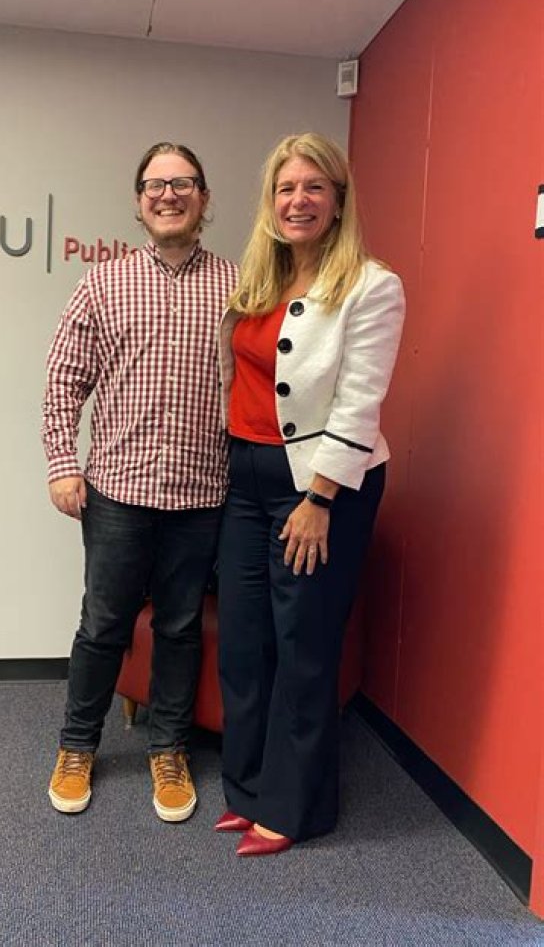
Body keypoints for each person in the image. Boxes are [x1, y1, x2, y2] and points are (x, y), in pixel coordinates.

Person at [215, 133, 405, 856]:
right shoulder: (259, 281)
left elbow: (360, 401)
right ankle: (249, 789)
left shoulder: (371, 286)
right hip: (247, 477)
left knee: (303, 645)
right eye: (286, 188)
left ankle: (294, 809)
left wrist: (320, 499)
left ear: (338, 200)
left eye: (313, 187)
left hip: (321, 486)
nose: (298, 201)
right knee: (245, 640)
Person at [42, 142, 238, 823]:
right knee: (103, 626)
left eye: (183, 183)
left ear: (204, 199)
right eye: (155, 184)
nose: (168, 194)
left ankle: (169, 748)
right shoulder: (103, 284)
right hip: (118, 495)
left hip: (202, 495)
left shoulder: (240, 288)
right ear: (138, 201)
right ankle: (77, 746)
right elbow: (63, 381)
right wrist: (62, 464)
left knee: (181, 629)